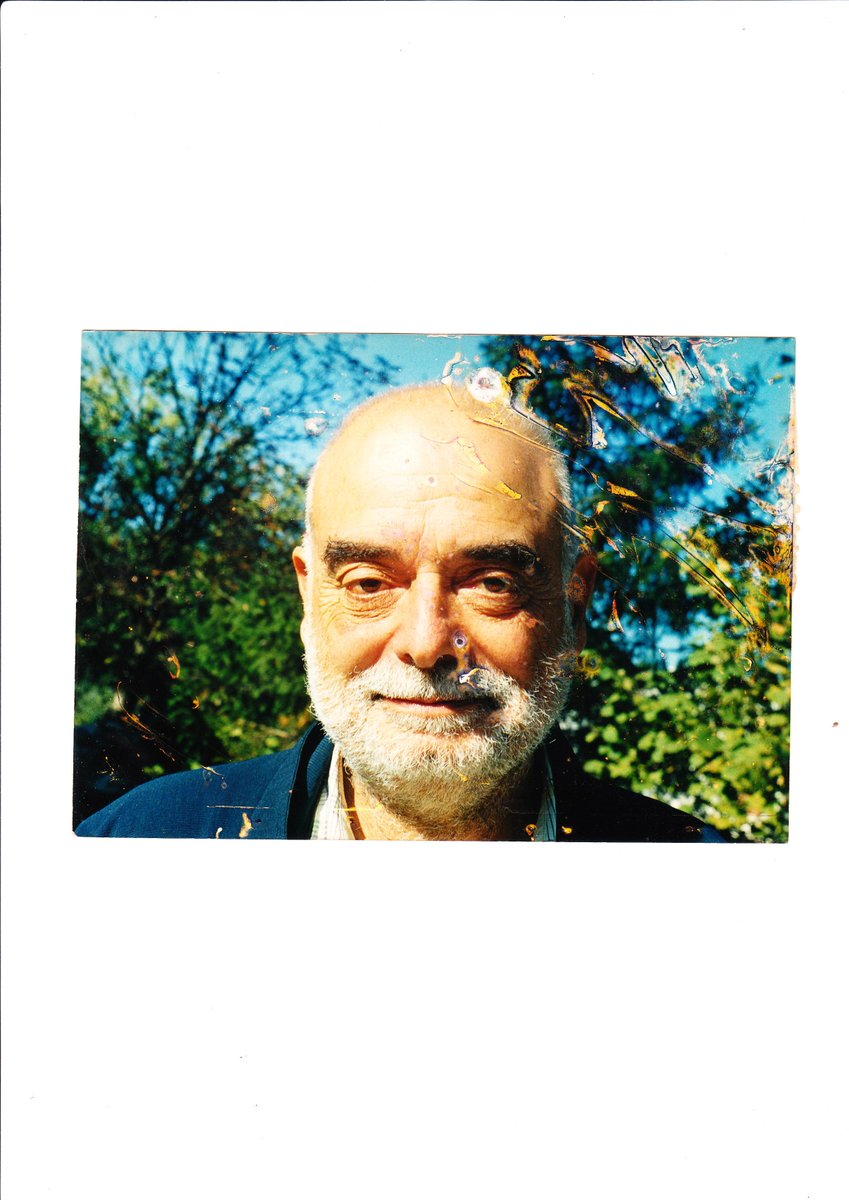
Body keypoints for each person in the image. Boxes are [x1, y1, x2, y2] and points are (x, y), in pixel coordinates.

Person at [77, 374, 724, 842]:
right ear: (308, 596)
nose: (425, 642)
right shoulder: (136, 841)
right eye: (367, 584)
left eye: (492, 583)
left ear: (574, 605)